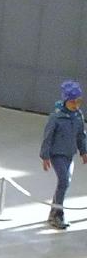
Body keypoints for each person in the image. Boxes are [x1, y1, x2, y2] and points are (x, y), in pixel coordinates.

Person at [40, 79, 87, 229]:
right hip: (57, 154)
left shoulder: (78, 116)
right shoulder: (56, 117)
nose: (76, 105)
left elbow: (81, 135)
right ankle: (57, 215)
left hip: (69, 154)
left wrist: (83, 151)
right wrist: (45, 156)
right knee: (64, 181)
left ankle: (54, 211)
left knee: (64, 184)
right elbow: (47, 137)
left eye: (78, 102)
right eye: (73, 102)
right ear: (66, 100)